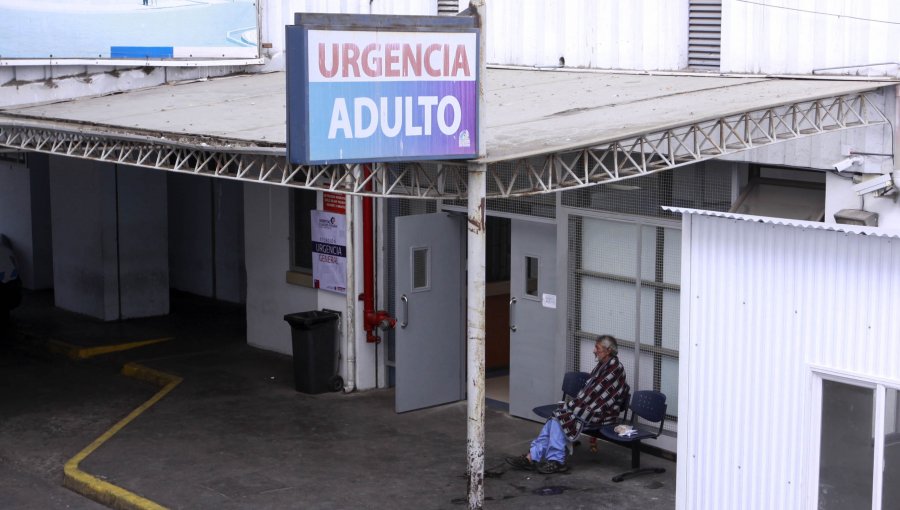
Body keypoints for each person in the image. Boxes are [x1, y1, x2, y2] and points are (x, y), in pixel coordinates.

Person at [506, 334, 628, 474]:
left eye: (597, 348)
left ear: (608, 350)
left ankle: (556, 461)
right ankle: (531, 457)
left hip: (602, 414)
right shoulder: (603, 365)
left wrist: (572, 407)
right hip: (589, 409)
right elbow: (590, 394)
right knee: (556, 417)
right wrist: (573, 406)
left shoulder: (615, 369)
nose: (594, 350)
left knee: (560, 417)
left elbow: (597, 398)